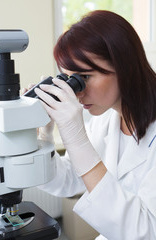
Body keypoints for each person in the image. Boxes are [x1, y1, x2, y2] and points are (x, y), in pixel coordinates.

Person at [27, 10, 156, 239]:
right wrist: (43, 141)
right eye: (69, 79)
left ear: (124, 66)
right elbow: (70, 180)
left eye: (83, 77)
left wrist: (77, 141)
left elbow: (146, 231)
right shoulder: (107, 118)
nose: (77, 92)